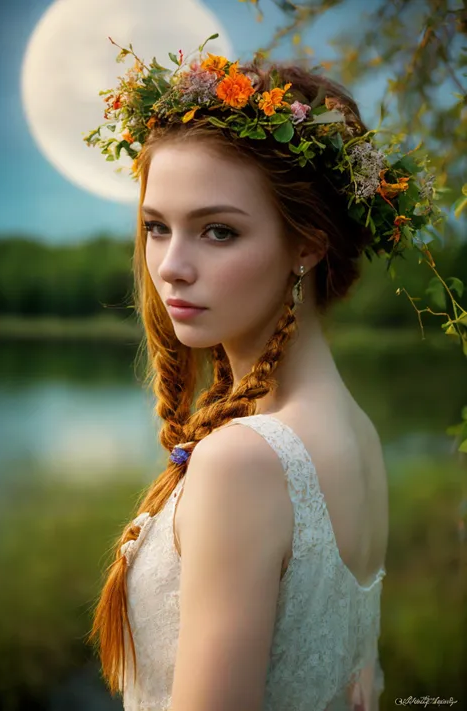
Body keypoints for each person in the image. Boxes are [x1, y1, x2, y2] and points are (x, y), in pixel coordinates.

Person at [83, 36, 438, 711]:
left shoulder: (241, 462)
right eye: (157, 227)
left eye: (218, 231)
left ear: (306, 244)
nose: (170, 266)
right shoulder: (357, 434)